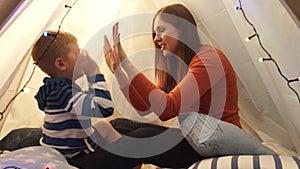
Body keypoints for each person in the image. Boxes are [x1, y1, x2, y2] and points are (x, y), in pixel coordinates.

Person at [104, 2, 275, 161]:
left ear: (182, 29)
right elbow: (145, 108)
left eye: (161, 29)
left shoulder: (209, 59)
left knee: (142, 135)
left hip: (216, 142)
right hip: (194, 139)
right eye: (155, 33)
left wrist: (127, 64)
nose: (156, 38)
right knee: (118, 125)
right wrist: (119, 72)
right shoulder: (176, 68)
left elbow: (167, 109)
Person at [31, 30, 121, 158]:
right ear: (61, 64)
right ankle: (127, 159)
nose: (83, 56)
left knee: (103, 125)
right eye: (77, 53)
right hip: (73, 155)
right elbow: (104, 108)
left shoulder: (55, 88)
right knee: (132, 151)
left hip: (63, 147)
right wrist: (95, 73)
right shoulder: (63, 93)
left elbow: (88, 102)